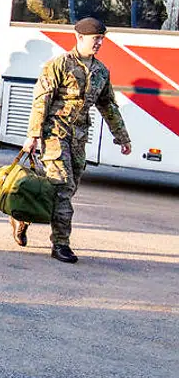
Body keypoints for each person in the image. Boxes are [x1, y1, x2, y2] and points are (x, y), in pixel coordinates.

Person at [15, 17, 132, 261]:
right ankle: (61, 244)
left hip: (78, 137)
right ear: (79, 37)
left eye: (101, 39)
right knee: (63, 186)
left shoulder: (101, 71)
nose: (99, 43)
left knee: (66, 189)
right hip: (54, 134)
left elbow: (108, 105)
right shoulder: (59, 65)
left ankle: (23, 215)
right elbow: (41, 100)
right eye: (95, 38)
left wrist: (122, 137)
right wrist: (33, 135)